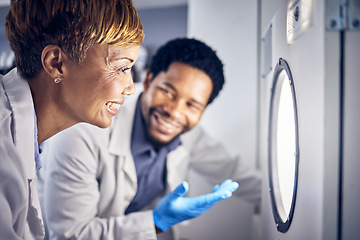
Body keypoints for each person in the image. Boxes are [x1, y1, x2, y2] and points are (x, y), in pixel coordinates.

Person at [39, 38, 260, 239]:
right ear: (148, 80)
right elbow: (71, 235)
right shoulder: (83, 131)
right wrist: (155, 221)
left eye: (192, 105)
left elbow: (234, 172)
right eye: (168, 92)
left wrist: (281, 200)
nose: (174, 112)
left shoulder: (189, 134)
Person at [0, 0, 144, 239]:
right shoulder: (4, 148)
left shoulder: (25, 138)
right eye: (121, 69)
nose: (130, 88)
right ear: (56, 63)